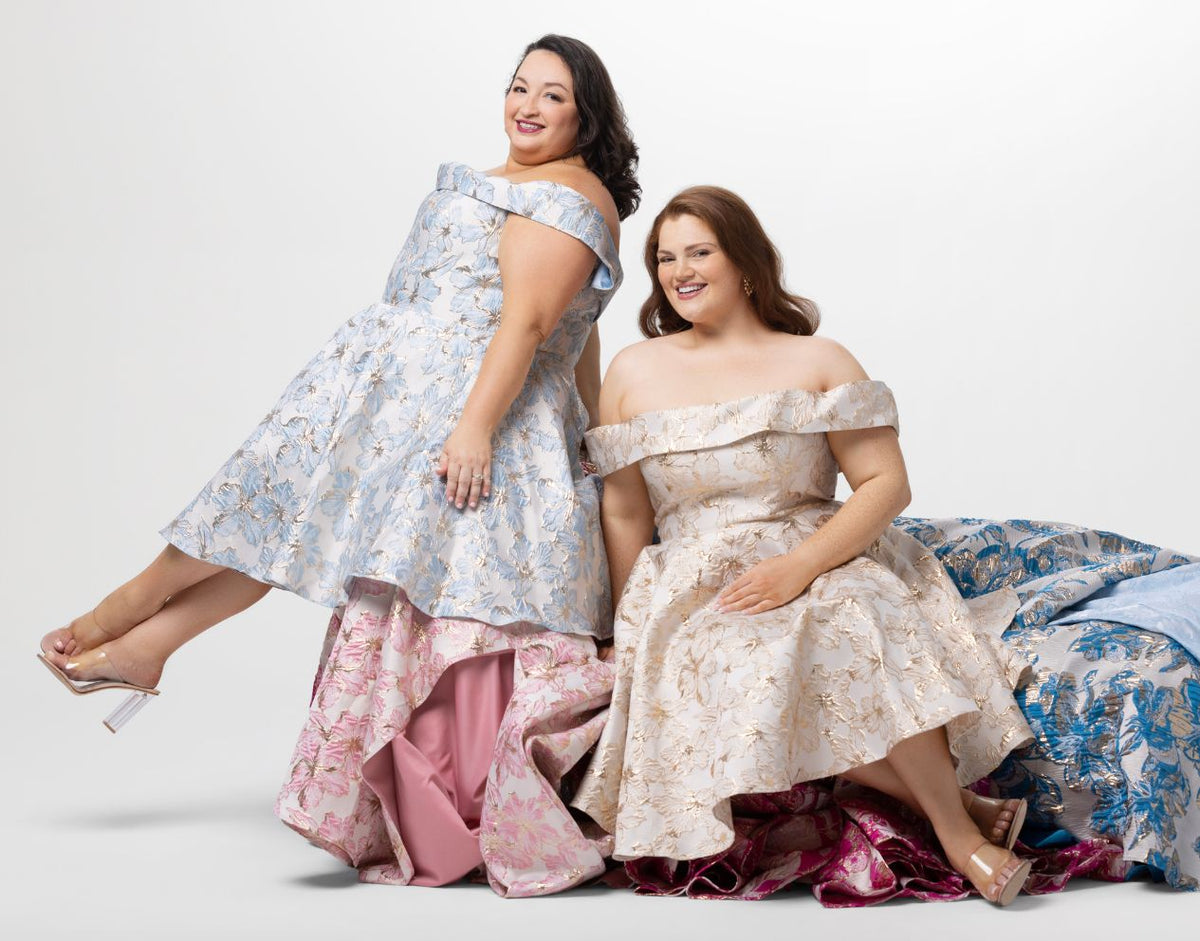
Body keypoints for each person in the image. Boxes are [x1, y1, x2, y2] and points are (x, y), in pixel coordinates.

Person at [38, 34, 638, 897]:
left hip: (455, 403)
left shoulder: (570, 192)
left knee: (281, 518)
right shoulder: (513, 182)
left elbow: (534, 325)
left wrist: (478, 430)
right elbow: (580, 335)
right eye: (518, 87)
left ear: (587, 117)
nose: (528, 106)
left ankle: (126, 617)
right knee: (283, 523)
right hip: (389, 382)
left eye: (553, 96)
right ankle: (146, 642)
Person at [571, 186, 1038, 905]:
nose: (679, 271)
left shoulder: (818, 357)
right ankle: (959, 804)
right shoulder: (634, 371)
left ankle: (956, 833)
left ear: (748, 264)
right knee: (732, 671)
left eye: (700, 252)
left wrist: (798, 568)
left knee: (851, 626)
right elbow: (628, 511)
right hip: (693, 571)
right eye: (665, 257)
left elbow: (886, 483)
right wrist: (623, 623)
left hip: (819, 548)